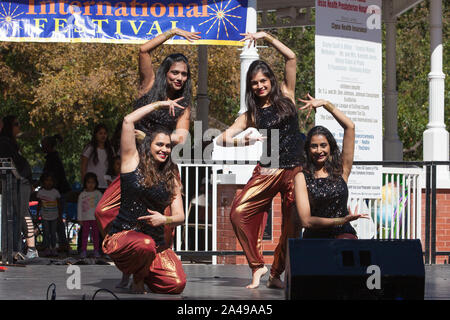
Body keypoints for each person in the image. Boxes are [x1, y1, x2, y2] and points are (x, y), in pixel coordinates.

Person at [95, 27, 199, 287]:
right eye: (175, 72)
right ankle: (127, 260)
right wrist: (173, 31)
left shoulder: (184, 104)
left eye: (184, 74)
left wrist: (156, 140)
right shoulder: (149, 85)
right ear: (166, 72)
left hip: (162, 164)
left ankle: (149, 269)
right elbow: (143, 50)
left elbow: (182, 137)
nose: (180, 78)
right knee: (102, 210)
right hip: (136, 166)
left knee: (162, 222)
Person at [216, 32, 304, 289]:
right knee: (238, 213)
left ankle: (276, 275)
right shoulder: (251, 113)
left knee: (291, 226)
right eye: (254, 83)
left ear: (271, 80)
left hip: (294, 170)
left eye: (263, 80)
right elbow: (221, 139)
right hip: (267, 169)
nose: (259, 86)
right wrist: (239, 142)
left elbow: (291, 56)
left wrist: (266, 36)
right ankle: (258, 266)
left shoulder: (287, 94)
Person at [99, 99, 187, 294]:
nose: (164, 149)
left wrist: (165, 219)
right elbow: (128, 121)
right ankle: (137, 279)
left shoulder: (171, 175)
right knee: (144, 245)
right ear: (149, 144)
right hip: (123, 238)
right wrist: (160, 105)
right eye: (160, 145)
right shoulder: (132, 162)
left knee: (176, 283)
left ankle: (146, 274)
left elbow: (180, 216)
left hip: (153, 245)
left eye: (168, 146)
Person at [294, 94, 368, 239]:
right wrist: (341, 220)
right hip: (316, 239)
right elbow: (306, 221)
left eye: (323, 145)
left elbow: (350, 127)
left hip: (344, 236)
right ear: (308, 150)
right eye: (314, 146)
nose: (319, 150)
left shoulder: (341, 171)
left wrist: (326, 104)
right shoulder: (302, 178)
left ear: (330, 147)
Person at [0, 115, 38, 259]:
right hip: (17, 180)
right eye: (16, 124)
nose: (19, 127)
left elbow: (12, 163)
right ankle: (21, 248)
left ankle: (32, 249)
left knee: (23, 213)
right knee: (18, 213)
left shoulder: (8, 142)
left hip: (20, 181)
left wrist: (20, 177)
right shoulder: (5, 142)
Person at [41, 134, 71, 254]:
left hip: (59, 192)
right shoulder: (53, 158)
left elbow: (51, 176)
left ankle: (61, 243)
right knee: (56, 219)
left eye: (43, 145)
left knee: (57, 218)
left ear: (48, 146)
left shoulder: (52, 159)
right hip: (59, 191)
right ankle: (59, 243)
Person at [80, 123, 115, 193]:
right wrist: (84, 182)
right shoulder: (90, 148)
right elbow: (83, 166)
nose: (103, 136)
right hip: (92, 185)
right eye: (100, 133)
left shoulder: (111, 149)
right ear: (95, 135)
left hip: (107, 185)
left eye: (105, 133)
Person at [77, 172, 103, 258]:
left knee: (96, 236)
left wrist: (101, 218)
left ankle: (96, 250)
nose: (91, 184)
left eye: (93, 182)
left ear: (96, 183)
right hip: (85, 219)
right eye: (88, 182)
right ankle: (83, 250)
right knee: (84, 236)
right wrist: (79, 218)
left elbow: (101, 206)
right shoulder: (82, 195)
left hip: (96, 219)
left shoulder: (98, 194)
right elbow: (79, 207)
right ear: (85, 183)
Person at [36, 172, 61, 257]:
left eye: (51, 180)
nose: (49, 182)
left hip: (54, 216)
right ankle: (47, 248)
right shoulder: (41, 192)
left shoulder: (55, 192)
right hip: (44, 216)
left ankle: (53, 248)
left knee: (53, 232)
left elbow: (59, 204)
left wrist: (60, 215)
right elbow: (39, 204)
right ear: (43, 182)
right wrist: (37, 214)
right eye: (47, 180)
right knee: (46, 232)